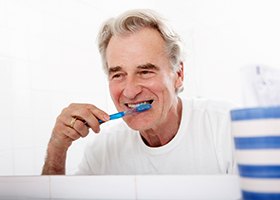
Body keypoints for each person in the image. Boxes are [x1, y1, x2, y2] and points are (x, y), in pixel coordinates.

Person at [42, 9, 235, 175]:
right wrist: (57, 148)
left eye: (145, 72)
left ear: (178, 74)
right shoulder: (103, 151)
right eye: (118, 74)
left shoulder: (228, 127)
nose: (131, 91)